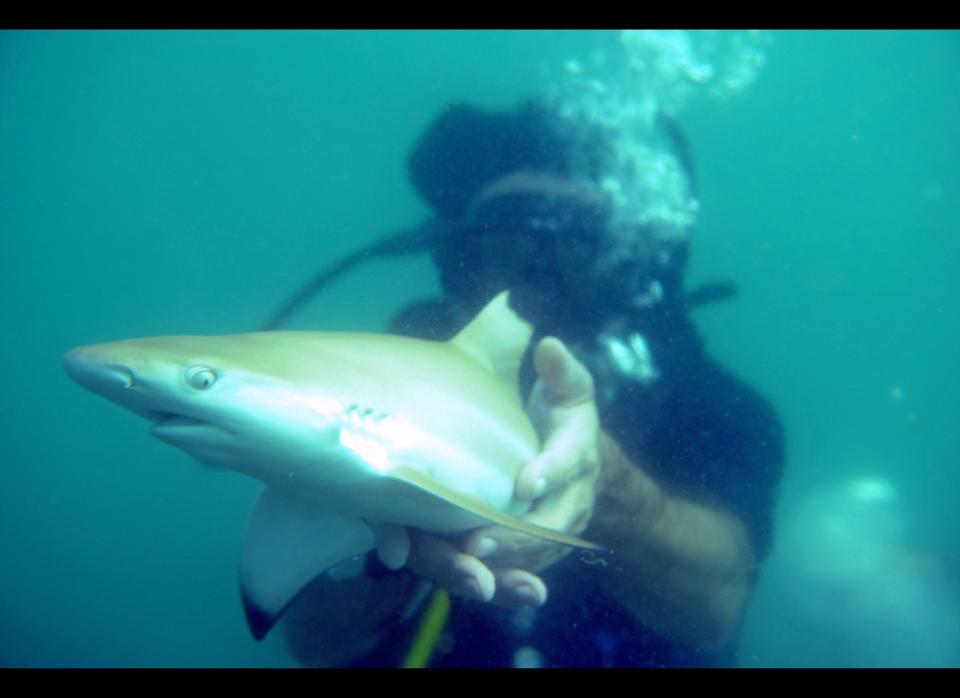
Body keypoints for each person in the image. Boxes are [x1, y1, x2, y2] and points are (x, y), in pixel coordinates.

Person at [276, 101, 785, 668]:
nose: (538, 273)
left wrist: (615, 492)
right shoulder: (376, 395)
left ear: (625, 265)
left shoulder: (711, 405)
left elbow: (717, 605)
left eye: (572, 244)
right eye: (507, 242)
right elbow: (316, 640)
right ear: (458, 262)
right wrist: (379, 506)